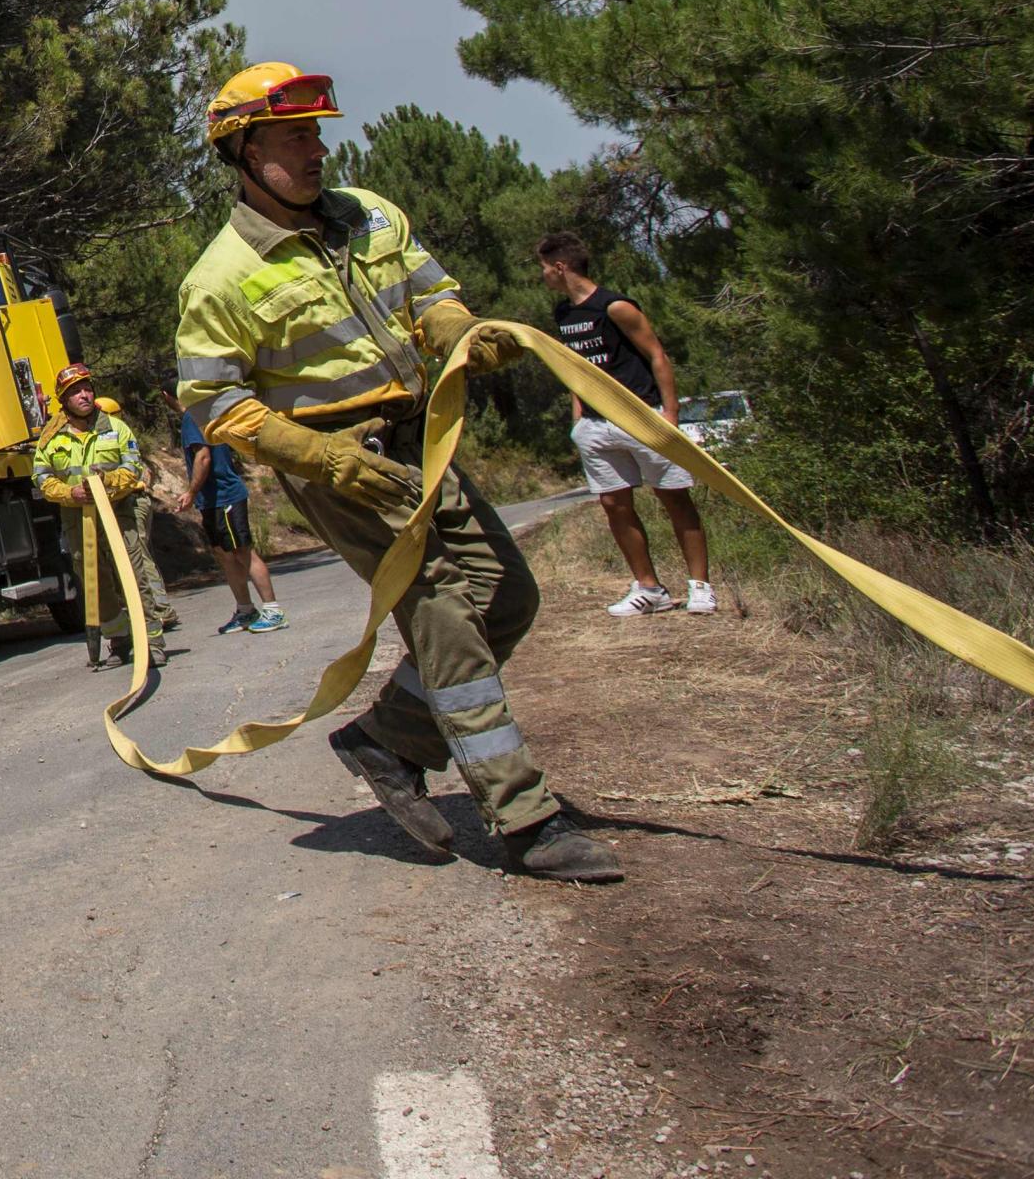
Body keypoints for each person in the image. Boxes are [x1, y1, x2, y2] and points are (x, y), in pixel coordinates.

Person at [173, 61, 620, 882]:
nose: (315, 152)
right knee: (444, 614)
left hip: (424, 439)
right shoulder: (220, 278)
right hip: (341, 470)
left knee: (508, 597)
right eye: (294, 137)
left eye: (317, 133)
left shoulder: (372, 215)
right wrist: (329, 459)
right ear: (243, 152)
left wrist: (463, 335)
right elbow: (218, 406)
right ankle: (525, 817)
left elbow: (433, 296)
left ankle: (385, 742)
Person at [536, 233, 714, 617]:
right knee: (614, 503)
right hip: (597, 426)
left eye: (545, 268)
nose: (544, 276)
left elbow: (657, 356)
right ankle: (649, 589)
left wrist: (669, 416)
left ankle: (700, 587)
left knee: (673, 498)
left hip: (642, 417)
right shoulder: (564, 315)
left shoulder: (615, 307)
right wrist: (578, 419)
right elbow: (575, 370)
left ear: (561, 267)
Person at [34, 364, 182, 655]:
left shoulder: (115, 428)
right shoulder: (52, 438)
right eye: (75, 392)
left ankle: (151, 642)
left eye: (87, 389)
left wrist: (106, 482)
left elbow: (132, 468)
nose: (84, 396)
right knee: (94, 580)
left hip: (118, 511)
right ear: (63, 400)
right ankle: (120, 638)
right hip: (77, 516)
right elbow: (41, 478)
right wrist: (70, 492)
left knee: (134, 575)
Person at [179, 402, 281, 632]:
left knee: (243, 552)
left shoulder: (191, 417)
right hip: (212, 501)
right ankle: (245, 610)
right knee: (225, 555)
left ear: (167, 395)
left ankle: (273, 610)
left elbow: (203, 456)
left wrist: (191, 491)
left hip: (225, 497)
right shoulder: (204, 414)